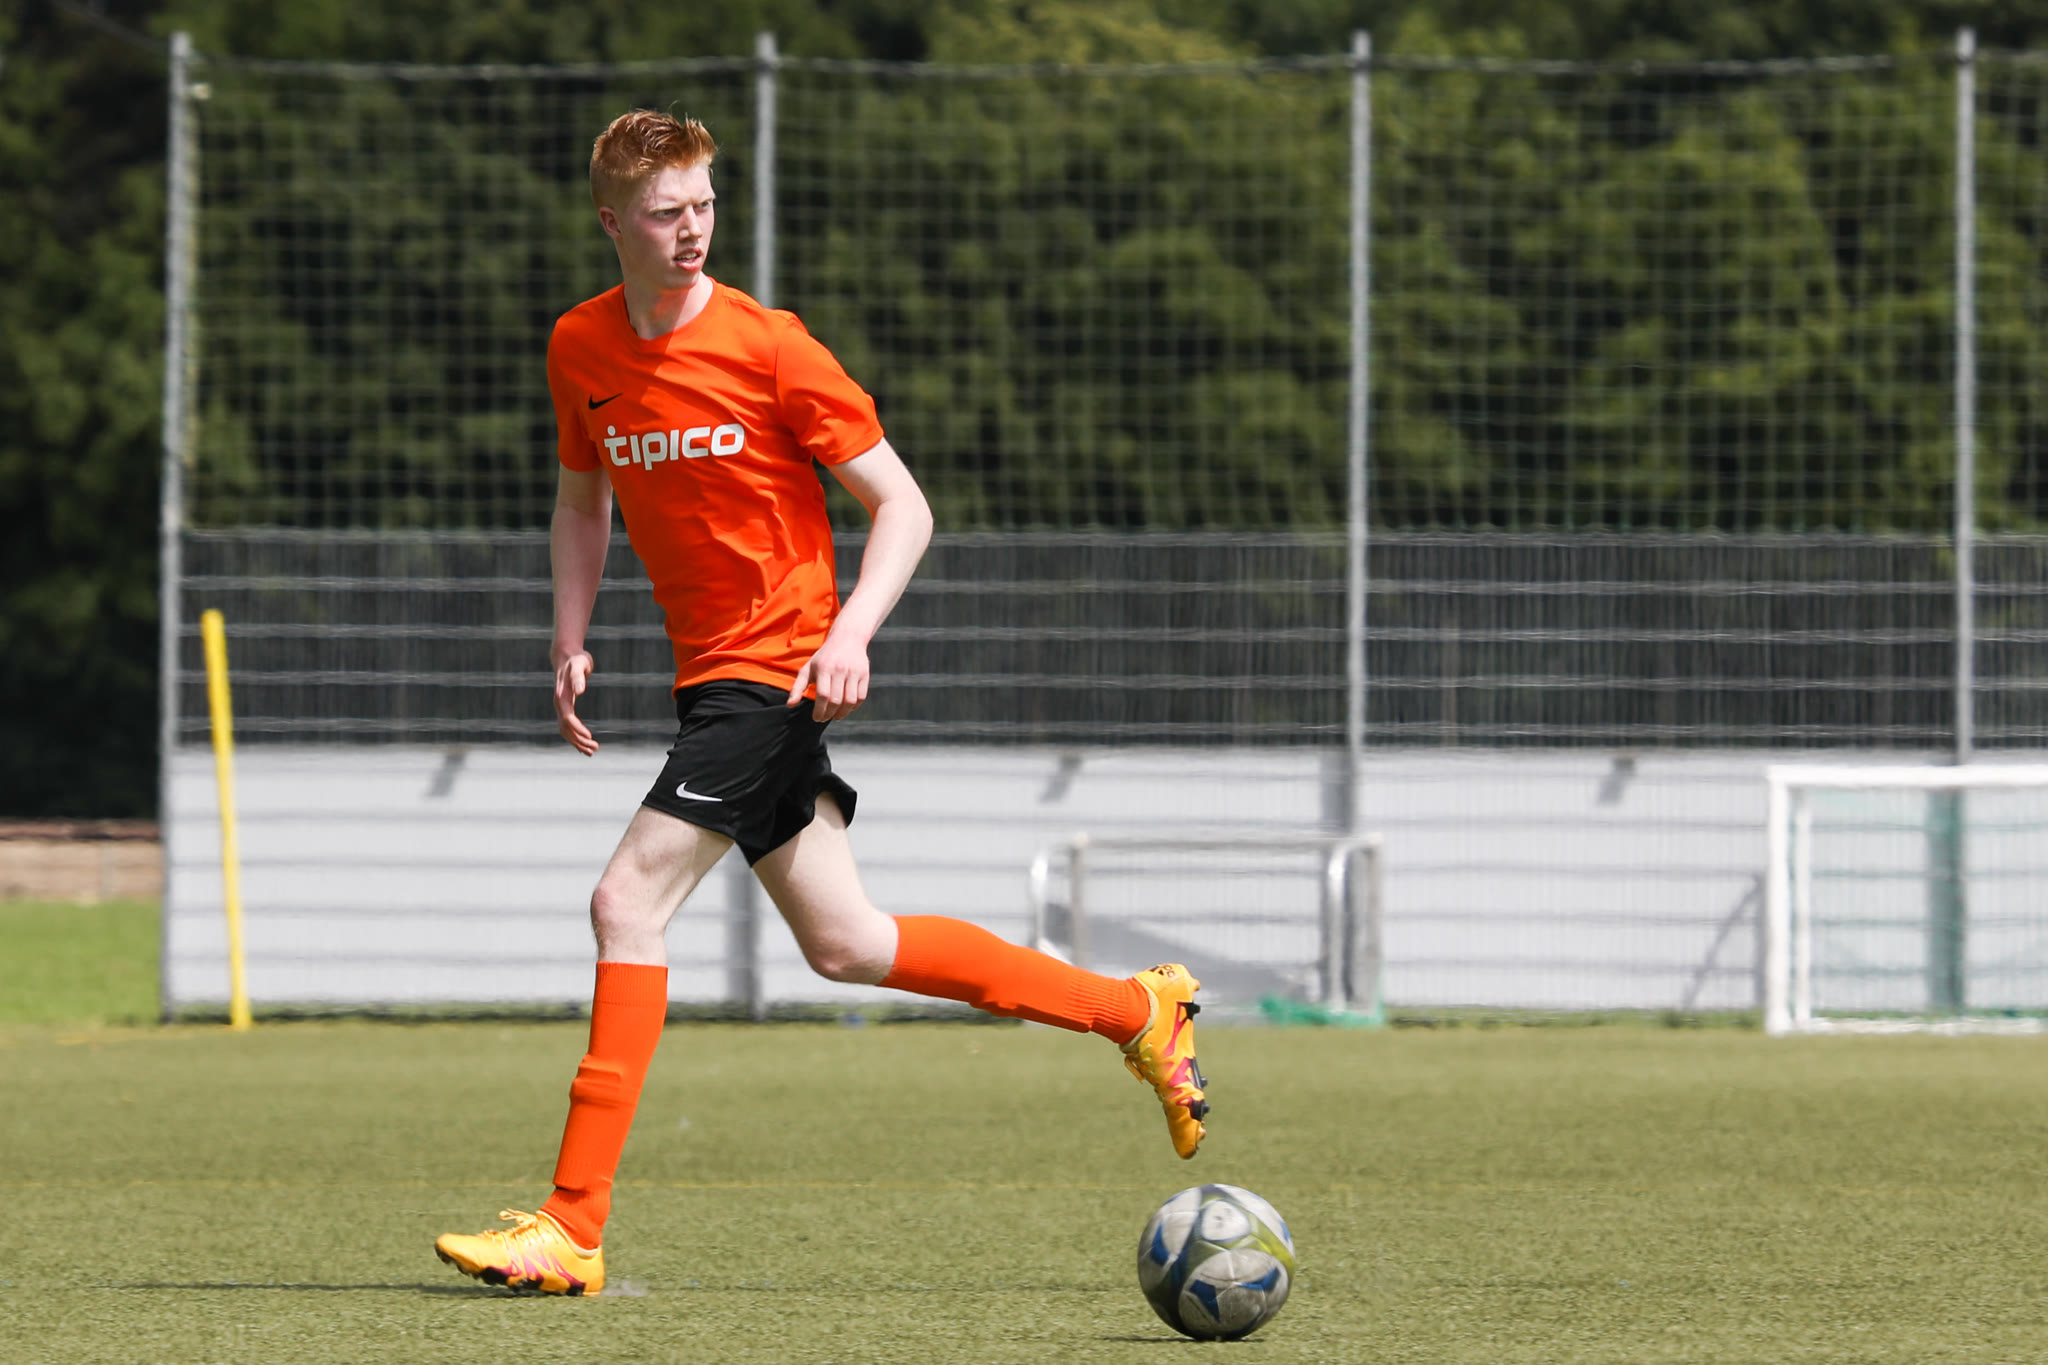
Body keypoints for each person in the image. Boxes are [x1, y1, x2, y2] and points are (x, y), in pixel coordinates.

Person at [433, 111, 1208, 1297]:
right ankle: (1134, 1012)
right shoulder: (579, 348)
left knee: (624, 902)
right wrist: (569, 632)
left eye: (703, 205)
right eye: (665, 212)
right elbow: (581, 502)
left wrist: (849, 633)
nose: (691, 229)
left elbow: (904, 506)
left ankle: (572, 1225)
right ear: (610, 222)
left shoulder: (771, 346)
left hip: (774, 672)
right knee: (849, 944)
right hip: (712, 680)